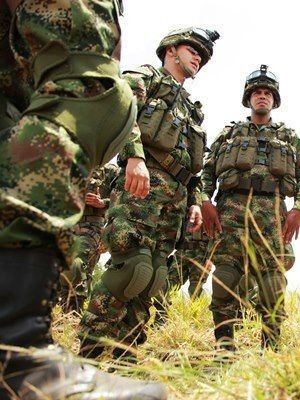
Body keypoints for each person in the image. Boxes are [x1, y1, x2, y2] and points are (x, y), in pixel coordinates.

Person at [0, 0, 166, 398]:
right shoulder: (149, 78)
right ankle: (16, 356)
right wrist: (136, 155)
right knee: (94, 93)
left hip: (165, 203)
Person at [79, 26, 218, 358]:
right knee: (132, 266)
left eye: (202, 55)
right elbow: (119, 110)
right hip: (142, 186)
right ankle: (91, 350)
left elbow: (192, 164)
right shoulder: (146, 78)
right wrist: (134, 157)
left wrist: (195, 201)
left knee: (154, 275)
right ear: (171, 51)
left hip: (176, 199)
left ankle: (126, 355)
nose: (198, 57)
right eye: (192, 50)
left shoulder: (192, 109)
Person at [201, 65, 300, 350]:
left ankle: (270, 350)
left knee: (272, 285)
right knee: (225, 279)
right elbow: (207, 172)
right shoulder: (229, 133)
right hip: (230, 213)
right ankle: (224, 348)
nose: (262, 97)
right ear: (248, 98)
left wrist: (299, 208)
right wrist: (205, 202)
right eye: (257, 93)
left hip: (272, 216)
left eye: (267, 93)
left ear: (274, 100)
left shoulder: (288, 136)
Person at [61, 163, 120, 313]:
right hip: (65, 224)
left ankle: (72, 312)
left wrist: (103, 203)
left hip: (92, 227)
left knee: (77, 264)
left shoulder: (110, 171)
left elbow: (125, 198)